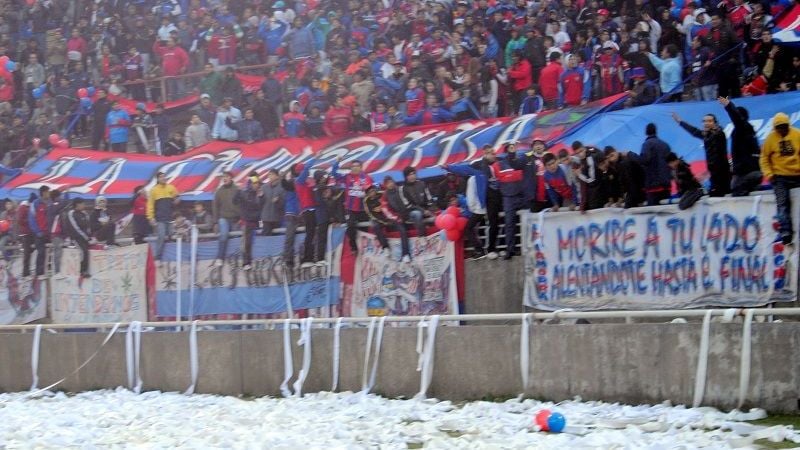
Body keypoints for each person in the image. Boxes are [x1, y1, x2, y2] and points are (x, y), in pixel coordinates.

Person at [760, 113, 800, 244]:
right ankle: (785, 231)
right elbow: (764, 158)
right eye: (779, 127)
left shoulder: (797, 134)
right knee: (782, 204)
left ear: (788, 125)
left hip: (797, 173)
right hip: (780, 176)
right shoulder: (770, 139)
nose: (782, 129)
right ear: (775, 127)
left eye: (784, 126)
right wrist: (769, 175)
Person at [672, 111, 731, 197]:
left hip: (721, 173)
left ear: (715, 123)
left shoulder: (718, 134)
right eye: (704, 121)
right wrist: (680, 122)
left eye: (709, 121)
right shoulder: (707, 135)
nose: (706, 123)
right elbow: (694, 131)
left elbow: (717, 156)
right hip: (714, 172)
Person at [718, 97, 762, 196]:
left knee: (736, 188)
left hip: (747, 171)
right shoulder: (747, 130)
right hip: (746, 169)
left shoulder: (743, 127)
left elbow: (737, 119)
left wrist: (729, 106)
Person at [332, 157, 373, 254]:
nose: (355, 168)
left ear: (361, 167)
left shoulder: (367, 178)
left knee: (365, 229)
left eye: (357, 166)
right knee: (350, 226)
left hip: (363, 208)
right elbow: (333, 174)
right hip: (350, 209)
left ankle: (366, 248)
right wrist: (337, 162)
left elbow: (373, 191)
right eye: (353, 166)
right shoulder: (347, 177)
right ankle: (353, 247)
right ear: (350, 168)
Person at [492, 143, 526, 260]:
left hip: (523, 196)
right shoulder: (498, 165)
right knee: (509, 224)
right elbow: (496, 182)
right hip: (508, 198)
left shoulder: (522, 160)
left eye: (515, 147)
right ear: (506, 150)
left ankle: (527, 248)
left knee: (529, 220)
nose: (514, 149)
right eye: (511, 148)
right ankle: (510, 250)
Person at [365, 183, 412, 262]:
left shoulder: (383, 194)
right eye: (369, 192)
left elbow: (392, 206)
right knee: (375, 225)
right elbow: (371, 215)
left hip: (391, 216)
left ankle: (406, 254)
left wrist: (393, 217)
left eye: (373, 190)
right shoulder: (366, 201)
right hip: (380, 219)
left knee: (402, 230)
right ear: (367, 194)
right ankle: (385, 247)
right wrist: (384, 222)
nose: (372, 193)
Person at [470, 144, 502, 259]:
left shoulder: (496, 164)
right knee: (492, 223)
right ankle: (490, 249)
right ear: (485, 153)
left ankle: (495, 248)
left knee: (497, 223)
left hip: (496, 197)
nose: (494, 155)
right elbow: (466, 169)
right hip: (487, 200)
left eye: (494, 153)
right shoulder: (478, 165)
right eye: (491, 153)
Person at [233, 174, 265, 271]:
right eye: (254, 183)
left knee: (253, 243)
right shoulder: (243, 193)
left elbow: (262, 206)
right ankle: (246, 263)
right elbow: (234, 201)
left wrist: (262, 197)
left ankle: (253, 262)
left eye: (258, 183)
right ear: (250, 184)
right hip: (247, 222)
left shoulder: (259, 194)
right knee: (247, 243)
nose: (256, 185)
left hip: (256, 221)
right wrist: (238, 191)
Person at [147, 172, 180, 261]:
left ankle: (174, 256)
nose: (163, 178)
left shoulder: (171, 187)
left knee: (172, 235)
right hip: (160, 218)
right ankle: (158, 256)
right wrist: (150, 217)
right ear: (157, 179)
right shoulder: (153, 190)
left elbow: (177, 196)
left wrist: (177, 199)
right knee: (161, 236)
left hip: (170, 217)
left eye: (164, 176)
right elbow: (150, 205)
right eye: (161, 177)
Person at [639, 123, 673, 206]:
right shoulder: (665, 145)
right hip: (666, 184)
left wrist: (631, 155)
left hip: (653, 186)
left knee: (653, 213)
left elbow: (644, 160)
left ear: (646, 132)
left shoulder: (646, 144)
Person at [213, 171, 241, 266]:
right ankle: (220, 258)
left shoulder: (237, 189)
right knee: (224, 235)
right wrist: (215, 222)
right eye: (223, 177)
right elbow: (215, 207)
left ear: (231, 178)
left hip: (236, 218)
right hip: (223, 218)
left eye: (226, 176)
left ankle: (236, 259)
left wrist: (242, 218)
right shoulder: (219, 191)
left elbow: (243, 204)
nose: (224, 178)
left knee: (237, 237)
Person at [399, 167, 432, 236]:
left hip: (424, 209)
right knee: (417, 214)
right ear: (406, 177)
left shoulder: (422, 184)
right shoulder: (402, 188)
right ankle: (421, 236)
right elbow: (408, 205)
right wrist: (423, 211)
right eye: (409, 175)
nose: (412, 176)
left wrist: (429, 209)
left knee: (436, 215)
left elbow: (429, 198)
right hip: (410, 212)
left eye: (414, 174)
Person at [63, 198, 91, 279]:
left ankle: (88, 269)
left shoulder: (85, 214)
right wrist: (86, 237)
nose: (84, 205)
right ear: (77, 204)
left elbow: (88, 227)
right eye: (82, 203)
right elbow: (75, 228)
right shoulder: (71, 214)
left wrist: (89, 237)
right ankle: (82, 271)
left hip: (85, 238)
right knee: (83, 251)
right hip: (75, 238)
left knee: (89, 250)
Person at [28, 186, 50, 277]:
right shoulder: (35, 203)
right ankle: (39, 273)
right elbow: (31, 219)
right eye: (48, 192)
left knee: (49, 252)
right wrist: (37, 231)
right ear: (44, 192)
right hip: (39, 233)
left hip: (48, 233)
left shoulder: (49, 203)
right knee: (41, 252)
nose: (49, 193)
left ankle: (47, 271)